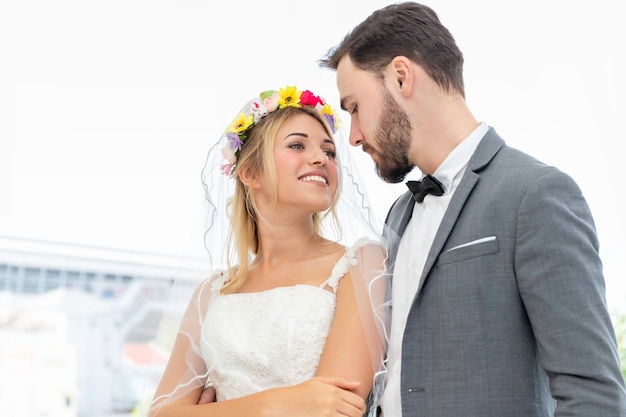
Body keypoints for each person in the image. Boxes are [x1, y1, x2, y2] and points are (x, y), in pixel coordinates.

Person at [318, 2, 626, 416]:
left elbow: (593, 395)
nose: (352, 136)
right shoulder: (399, 214)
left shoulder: (535, 193)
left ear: (401, 76)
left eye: (354, 107)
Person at [145, 85, 390, 417]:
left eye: (329, 151)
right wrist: (279, 402)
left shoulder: (361, 264)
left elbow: (335, 408)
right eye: (297, 145)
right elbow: (161, 413)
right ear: (249, 172)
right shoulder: (211, 293)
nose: (321, 158)